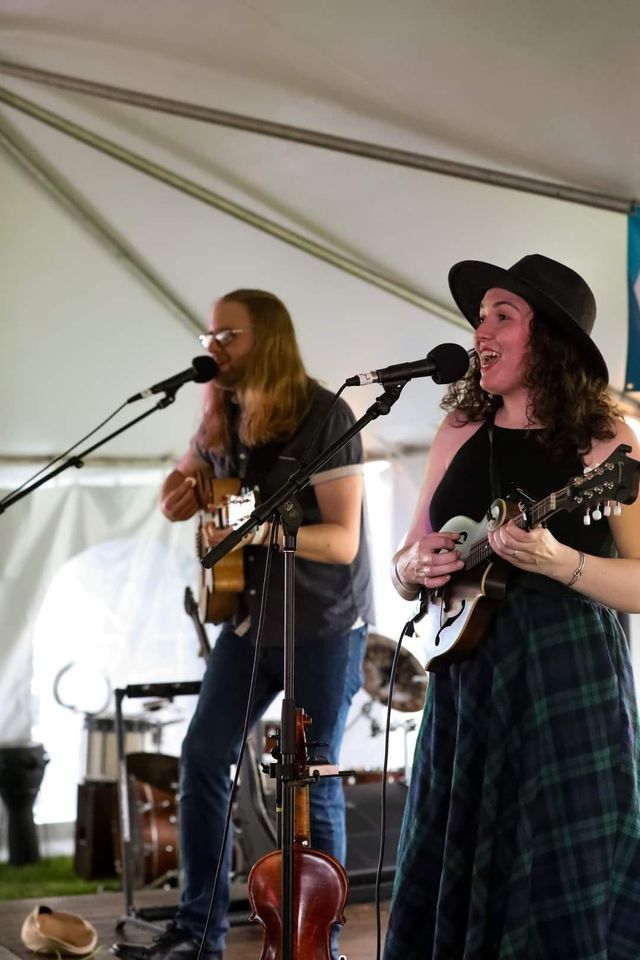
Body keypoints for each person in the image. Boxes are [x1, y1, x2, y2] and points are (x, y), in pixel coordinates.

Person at [383, 254, 640, 960]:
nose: (480, 332)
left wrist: (565, 563)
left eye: (503, 316)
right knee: (458, 857)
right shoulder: (461, 430)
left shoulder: (607, 445)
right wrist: (414, 565)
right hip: (468, 677)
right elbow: (406, 562)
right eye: (479, 317)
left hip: (567, 680)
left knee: (559, 869)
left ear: (549, 339)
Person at [113, 289, 373, 960]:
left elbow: (342, 540)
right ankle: (199, 931)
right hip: (248, 620)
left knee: (312, 775)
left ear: (269, 341)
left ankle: (321, 941)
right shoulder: (221, 412)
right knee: (202, 756)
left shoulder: (326, 414)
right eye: (209, 337)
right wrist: (182, 497)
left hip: (323, 620)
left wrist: (264, 530)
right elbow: (192, 489)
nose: (213, 349)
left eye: (227, 335)